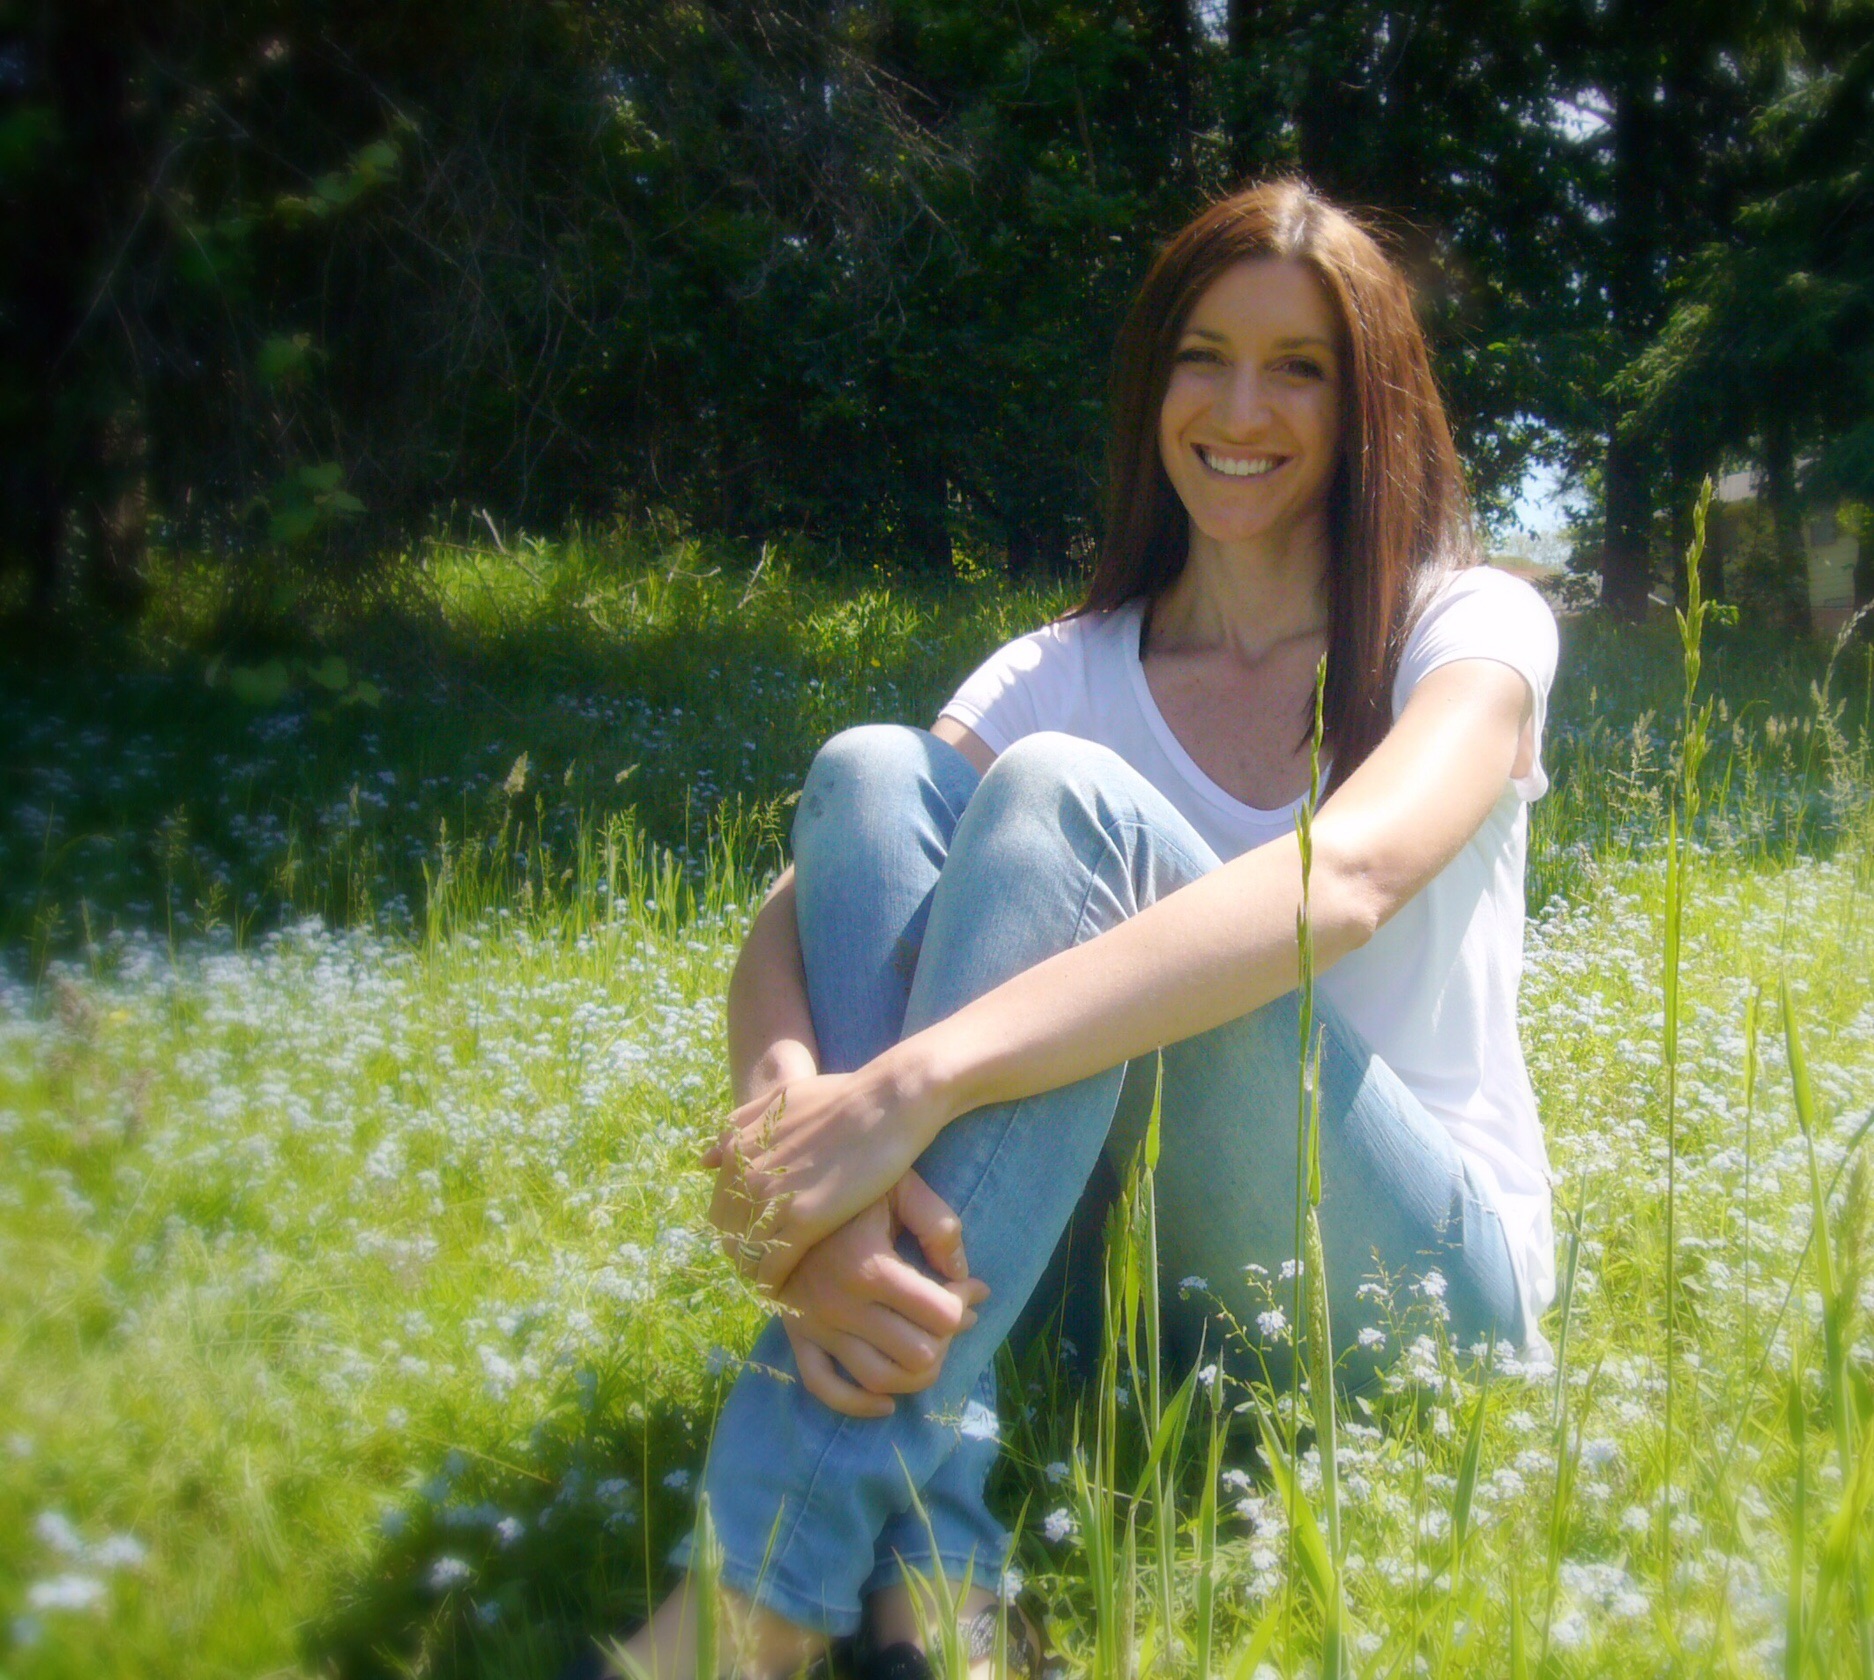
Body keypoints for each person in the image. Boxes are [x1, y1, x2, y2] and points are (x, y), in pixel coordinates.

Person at [599, 178, 1559, 1680]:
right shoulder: (1066, 664)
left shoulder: (1466, 626)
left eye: (1298, 368)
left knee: (1063, 805)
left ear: (1369, 400)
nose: (1238, 409)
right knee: (871, 773)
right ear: (1150, 385)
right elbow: (810, 894)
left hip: (1404, 1286)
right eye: (1202, 357)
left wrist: (915, 1085)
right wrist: (791, 1132)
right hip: (1110, 1311)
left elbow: (1353, 876)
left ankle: (753, 1608)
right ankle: (937, 1598)